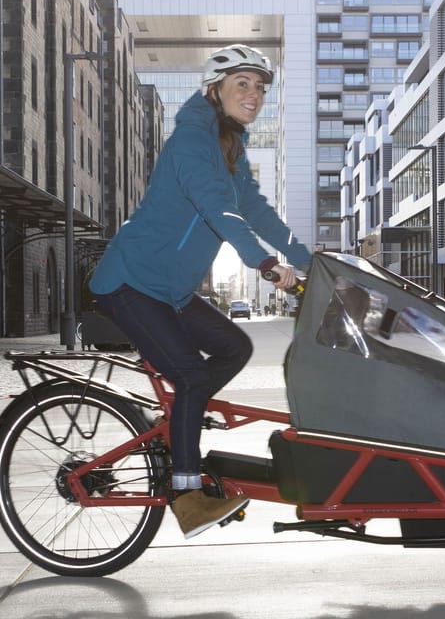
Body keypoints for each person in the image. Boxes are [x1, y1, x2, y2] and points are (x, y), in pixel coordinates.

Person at [88, 43, 310, 538]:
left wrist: (312, 260)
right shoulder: (192, 140)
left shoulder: (230, 147)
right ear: (214, 90)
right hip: (132, 283)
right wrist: (265, 262)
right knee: (190, 375)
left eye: (259, 87)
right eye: (242, 85)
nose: (254, 95)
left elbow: (256, 210)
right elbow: (216, 208)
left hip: (173, 290)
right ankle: (186, 495)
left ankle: (179, 423)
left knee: (236, 345)